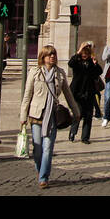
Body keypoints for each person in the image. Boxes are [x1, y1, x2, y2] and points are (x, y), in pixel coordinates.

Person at [20, 44, 77, 189]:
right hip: (36, 115)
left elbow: (68, 95)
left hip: (52, 116)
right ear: (43, 57)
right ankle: (41, 171)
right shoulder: (34, 72)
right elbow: (27, 95)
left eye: (54, 54)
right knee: (37, 148)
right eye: (49, 54)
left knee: (48, 148)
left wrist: (76, 111)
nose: (52, 57)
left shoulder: (60, 73)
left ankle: (43, 177)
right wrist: (23, 115)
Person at [66, 42, 102, 144]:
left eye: (87, 52)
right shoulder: (77, 62)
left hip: (89, 92)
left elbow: (99, 72)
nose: (84, 54)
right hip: (77, 92)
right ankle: (73, 132)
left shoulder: (91, 63)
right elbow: (70, 63)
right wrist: (79, 50)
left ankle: (85, 137)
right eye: (83, 52)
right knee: (78, 113)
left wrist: (96, 64)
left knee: (88, 115)